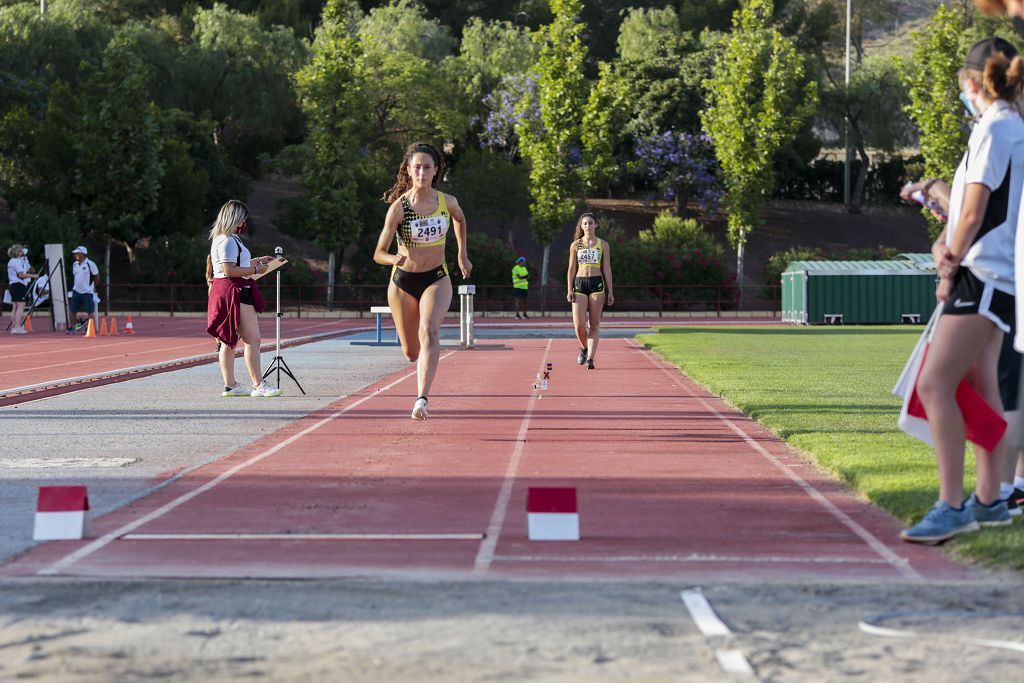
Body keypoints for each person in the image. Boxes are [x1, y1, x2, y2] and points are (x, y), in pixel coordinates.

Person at [899, 37, 1024, 544]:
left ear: (970, 83)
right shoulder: (1007, 126)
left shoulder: (997, 127)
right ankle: (991, 499)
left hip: (984, 274)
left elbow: (972, 212)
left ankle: (952, 504)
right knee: (983, 387)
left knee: (934, 385)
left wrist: (948, 265)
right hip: (996, 273)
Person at [373, 142, 472, 421]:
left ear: (436, 170)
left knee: (429, 331)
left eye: (427, 167)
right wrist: (393, 259)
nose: (422, 172)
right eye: (416, 167)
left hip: (436, 278)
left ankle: (421, 400)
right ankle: (416, 367)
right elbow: (378, 253)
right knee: (411, 352)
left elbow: (460, 220)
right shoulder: (399, 208)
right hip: (403, 281)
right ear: (408, 170)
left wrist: (462, 255)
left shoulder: (447, 202)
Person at [205, 199, 283, 398]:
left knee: (229, 340)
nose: (244, 224)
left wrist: (257, 261)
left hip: (227, 289)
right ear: (236, 218)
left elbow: (235, 264)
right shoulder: (228, 240)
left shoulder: (225, 238)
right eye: (243, 219)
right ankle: (258, 384)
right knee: (252, 340)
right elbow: (230, 270)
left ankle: (231, 385)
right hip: (234, 290)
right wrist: (256, 269)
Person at [566, 213, 614, 369]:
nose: (588, 226)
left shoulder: (603, 244)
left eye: (591, 223)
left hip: (597, 284)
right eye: (585, 223)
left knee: (594, 324)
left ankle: (591, 359)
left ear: (596, 225)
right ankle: (584, 347)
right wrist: (569, 288)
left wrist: (610, 290)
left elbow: (606, 268)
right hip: (580, 284)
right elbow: (571, 268)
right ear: (581, 226)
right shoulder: (575, 245)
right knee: (579, 325)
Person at [68, 246, 99, 332]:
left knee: (90, 311)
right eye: (75, 253)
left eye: (77, 253)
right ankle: (73, 327)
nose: (75, 255)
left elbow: (96, 277)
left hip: (87, 292)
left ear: (82, 254)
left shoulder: (90, 264)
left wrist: (92, 287)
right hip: (76, 291)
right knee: (72, 311)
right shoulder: (75, 264)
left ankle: (89, 328)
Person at [6, 244, 36, 334]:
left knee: (15, 307)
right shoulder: (17, 262)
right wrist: (33, 275)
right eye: (21, 251)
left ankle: (14, 327)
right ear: (18, 252)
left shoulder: (11, 261)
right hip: (19, 285)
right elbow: (21, 275)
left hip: (12, 285)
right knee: (21, 306)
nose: (22, 252)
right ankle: (17, 327)